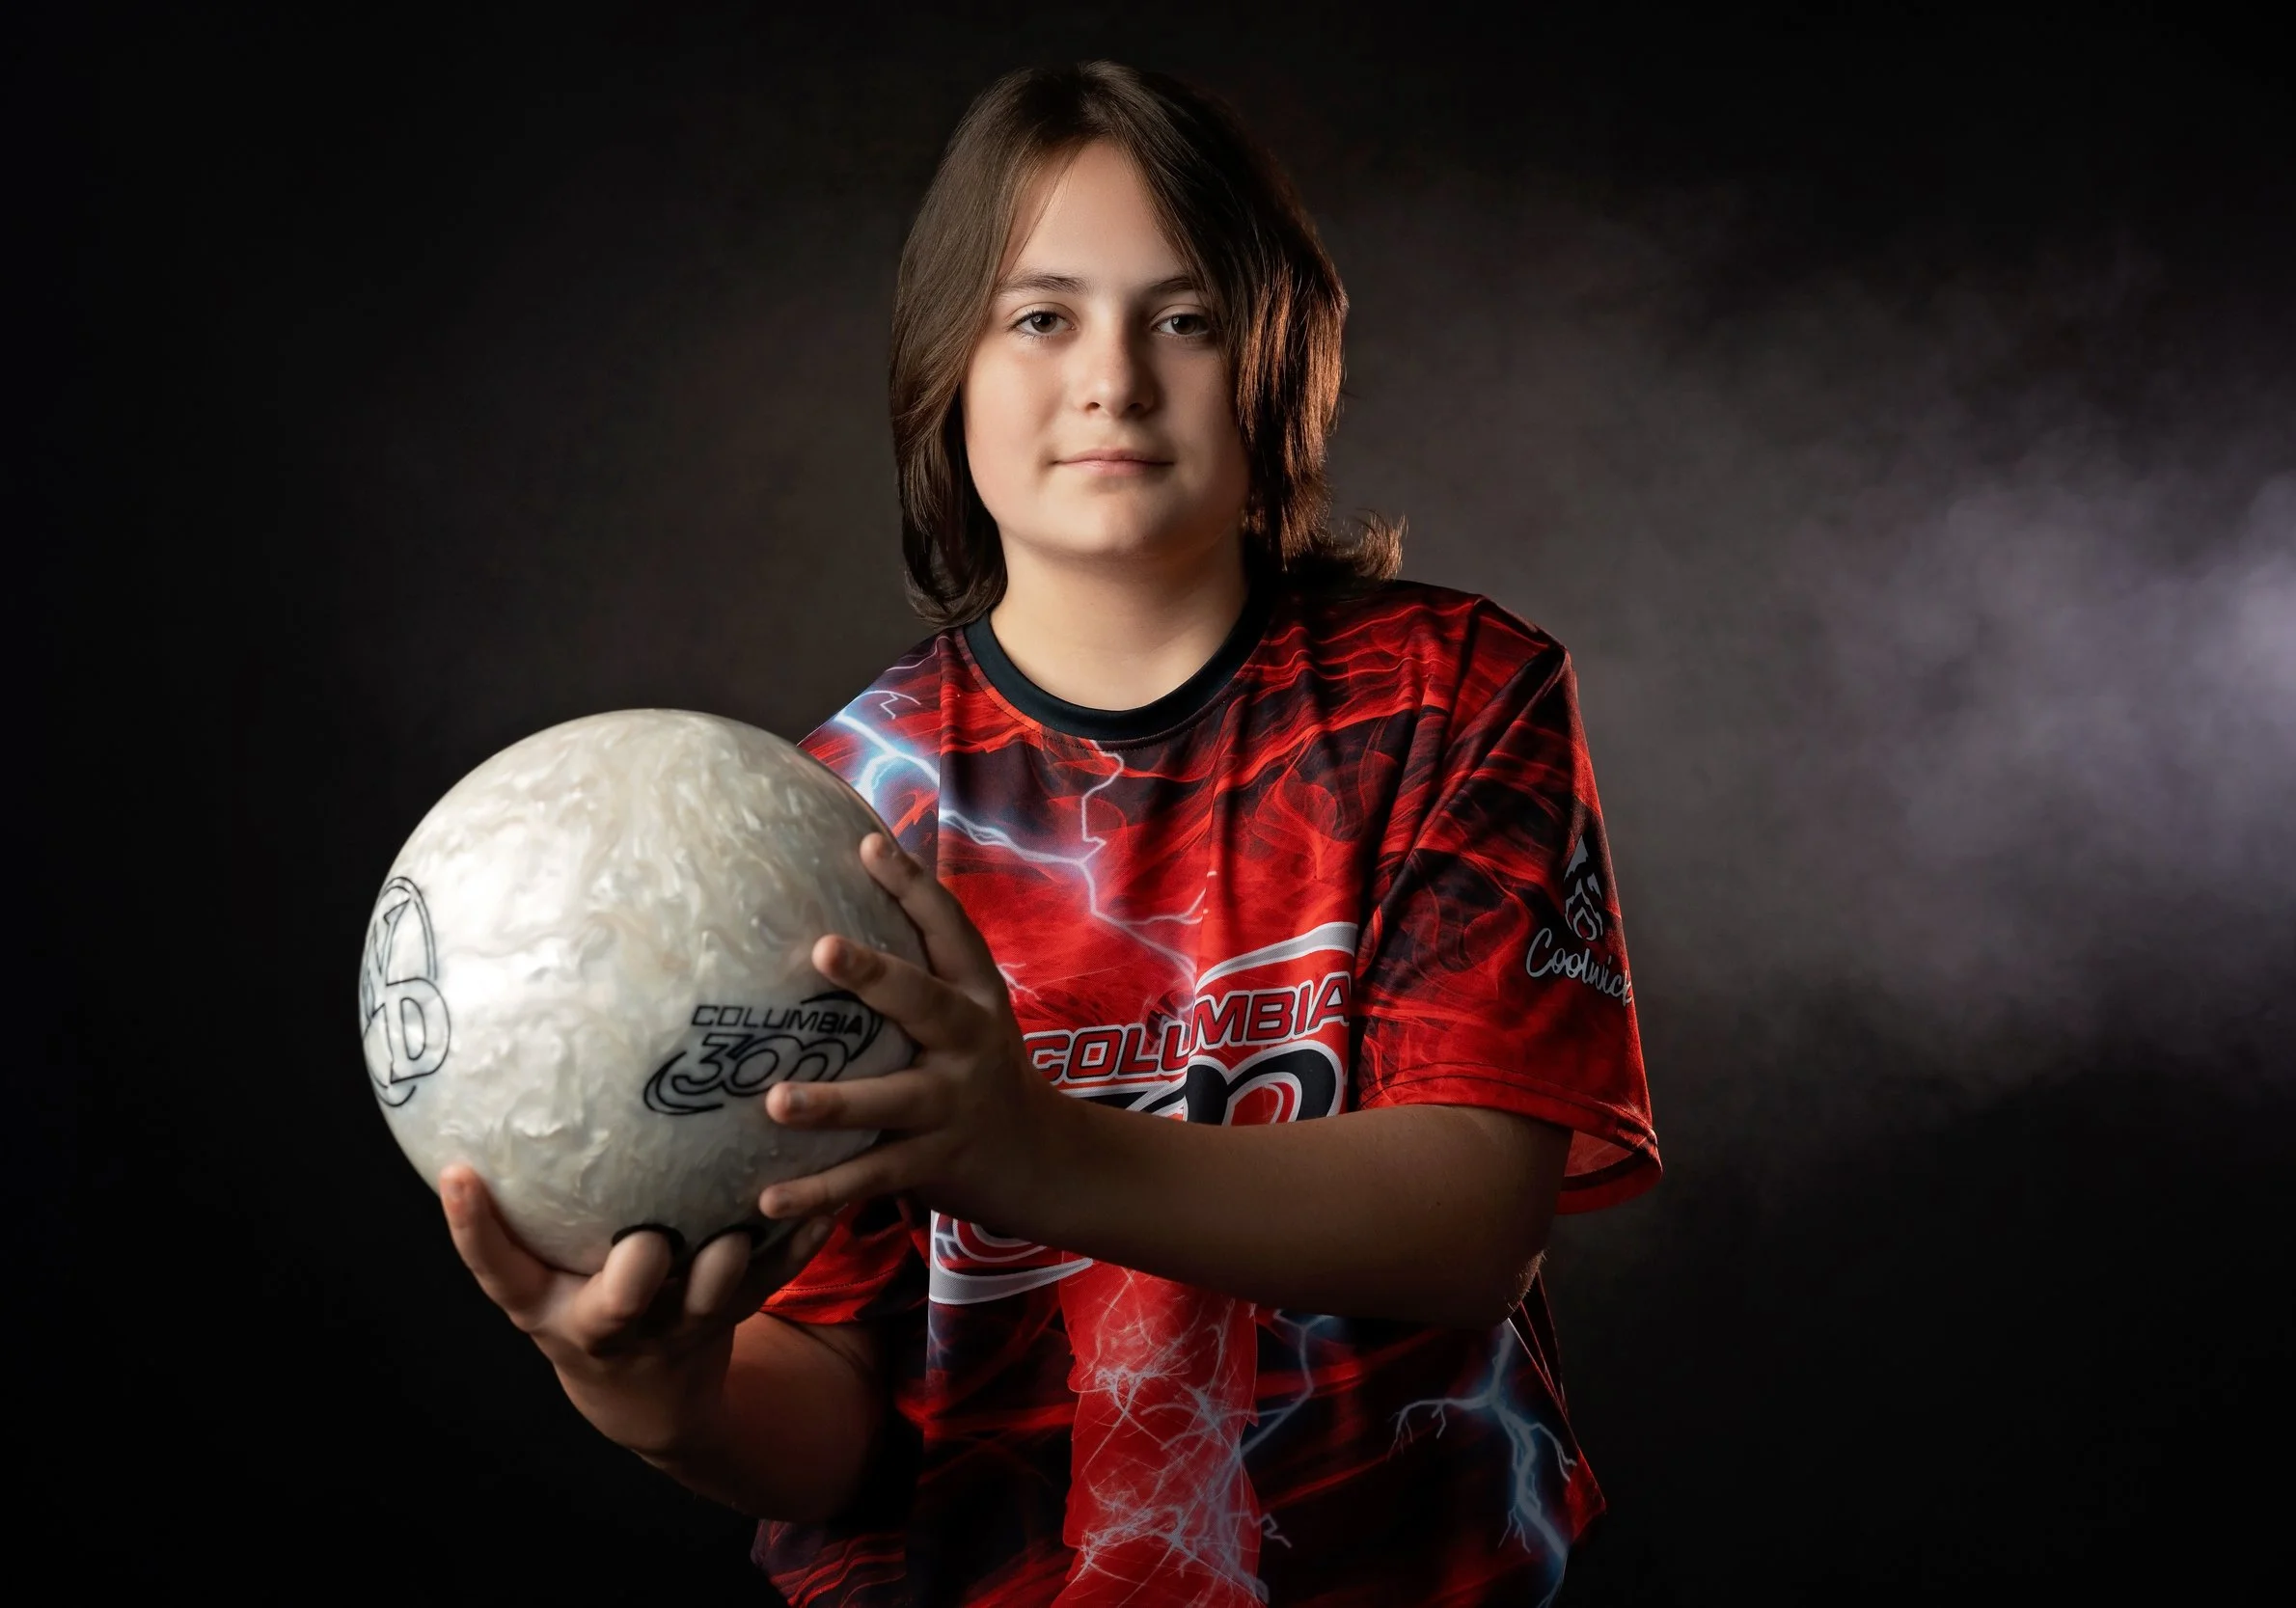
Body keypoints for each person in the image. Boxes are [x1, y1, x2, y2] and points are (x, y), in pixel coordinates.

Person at [439, 60, 1658, 1608]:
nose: (1114, 377)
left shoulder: (1448, 697)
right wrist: (659, 1395)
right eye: (1040, 316)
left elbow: (1474, 1218)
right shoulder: (827, 820)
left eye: (1186, 316)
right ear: (943, 372)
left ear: (1284, 359)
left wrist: (1036, 1152)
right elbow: (847, 1428)